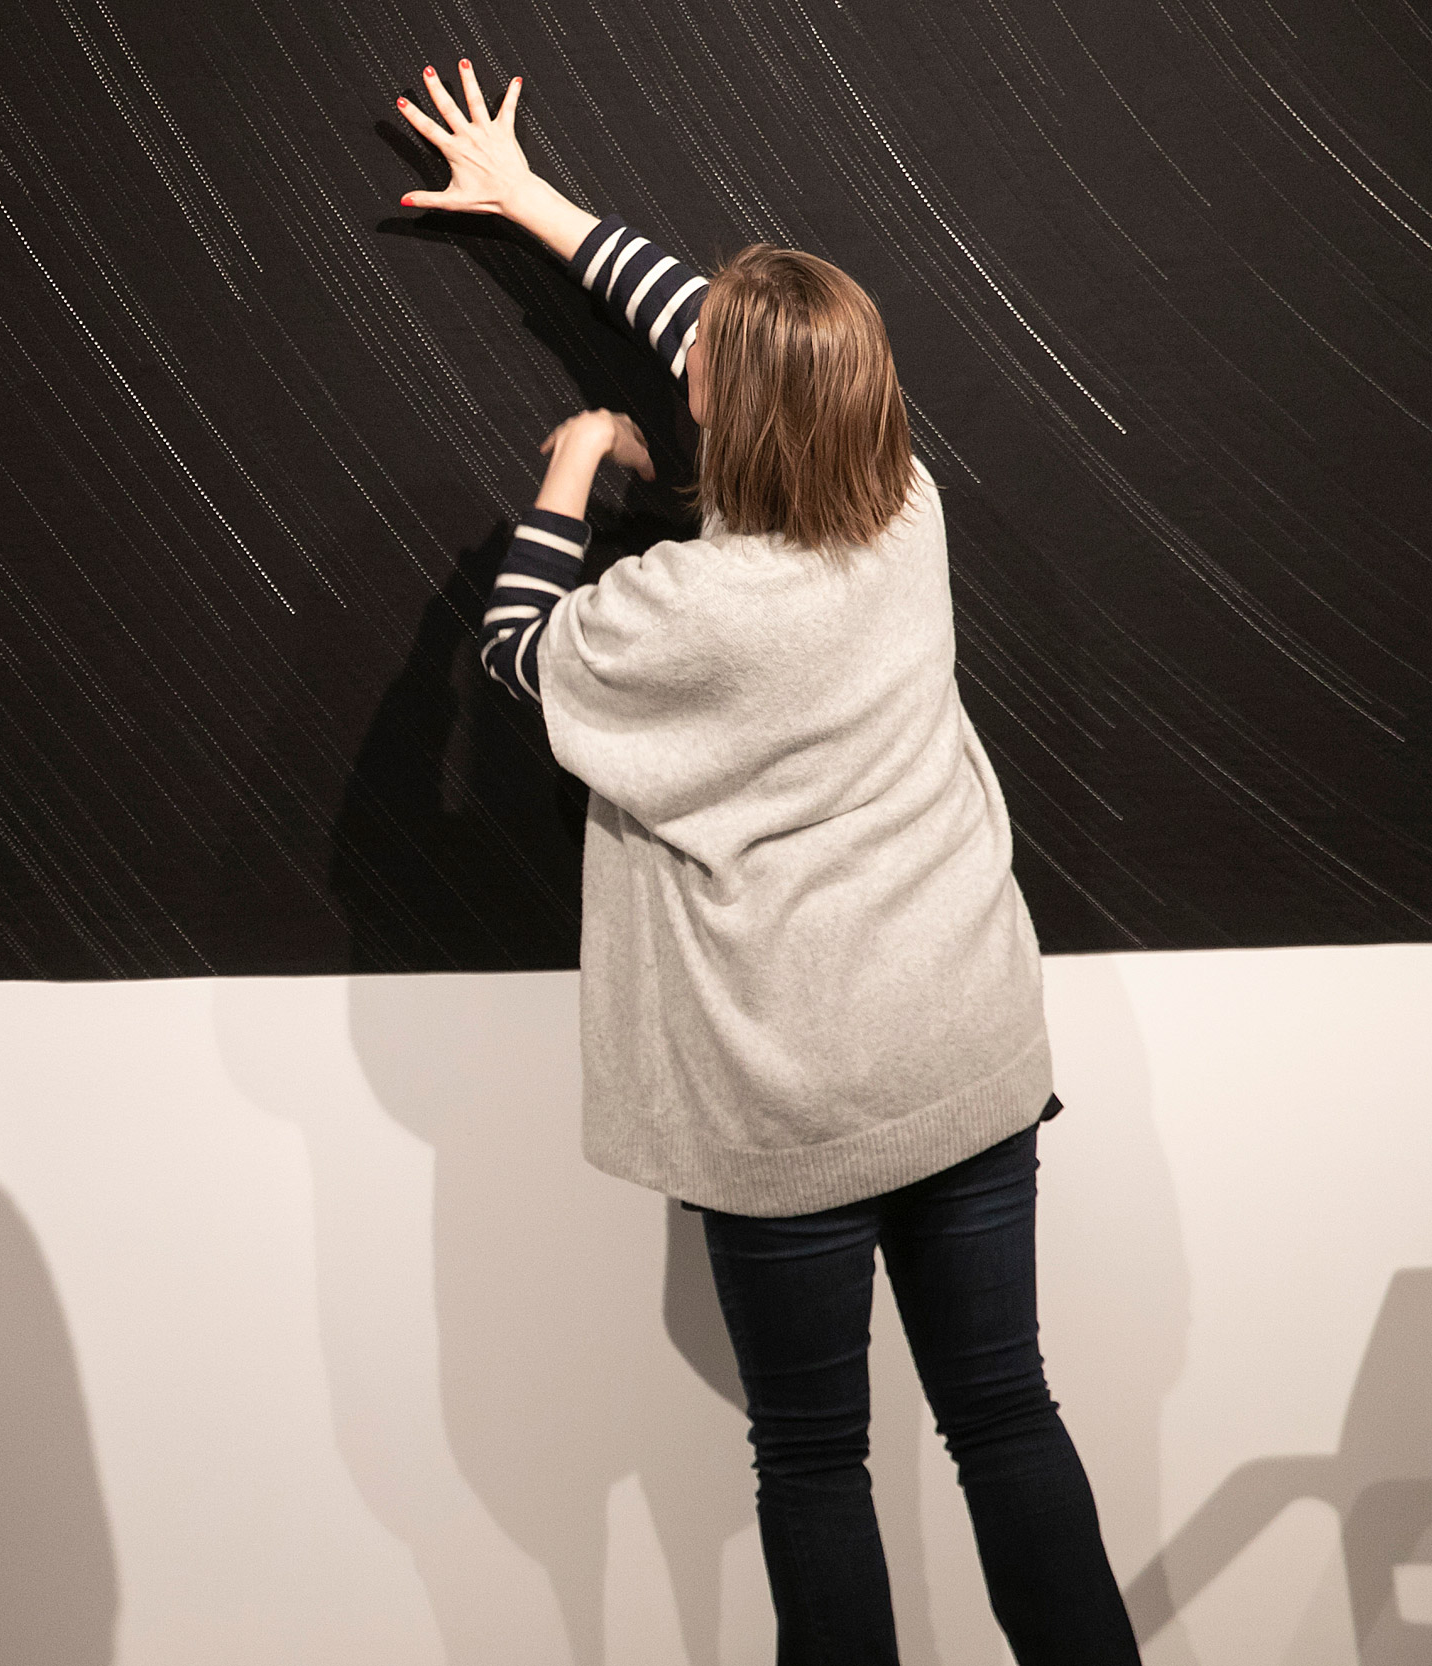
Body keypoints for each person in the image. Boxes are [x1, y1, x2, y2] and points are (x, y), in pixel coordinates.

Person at [395, 59, 1142, 1665]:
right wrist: (533, 201)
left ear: (717, 406)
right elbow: (711, 329)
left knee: (814, 1459)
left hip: (791, 1098)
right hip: (964, 1055)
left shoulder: (681, 614)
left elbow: (518, 655)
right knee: (1007, 1417)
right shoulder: (907, 515)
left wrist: (568, 471)